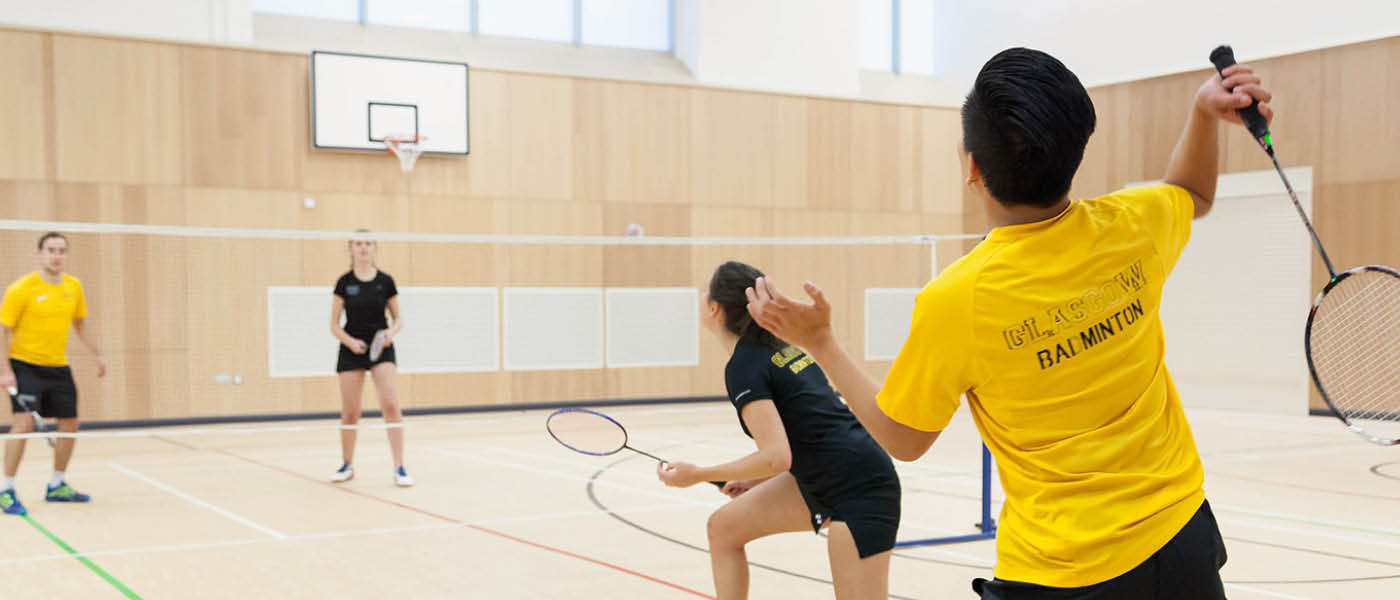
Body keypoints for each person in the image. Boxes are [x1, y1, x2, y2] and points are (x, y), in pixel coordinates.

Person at [746, 48, 1273, 598]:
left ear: (971, 167)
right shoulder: (1133, 224)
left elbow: (904, 437)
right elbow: (1193, 194)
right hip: (1182, 538)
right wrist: (1203, 113)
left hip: (1065, 571)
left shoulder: (958, 299)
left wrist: (821, 342)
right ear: (1075, 150)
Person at [657, 261, 901, 600]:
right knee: (724, 529)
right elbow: (805, 436)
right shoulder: (781, 349)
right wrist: (756, 480)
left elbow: (775, 457)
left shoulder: (744, 367)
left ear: (714, 308)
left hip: (860, 489)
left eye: (704, 291)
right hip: (828, 475)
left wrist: (697, 474)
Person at [0, 232, 107, 515]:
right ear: (40, 254)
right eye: (51, 250)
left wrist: (97, 354)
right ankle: (6, 489)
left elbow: (80, 324)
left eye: (61, 250)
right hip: (24, 365)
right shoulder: (21, 288)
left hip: (58, 368)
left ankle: (57, 484)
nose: (56, 255)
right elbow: (3, 329)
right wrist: (5, 370)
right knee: (23, 424)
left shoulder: (73, 287)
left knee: (70, 424)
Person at [329, 230, 411, 486]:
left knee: (390, 405)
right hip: (351, 349)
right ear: (350, 249)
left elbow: (399, 320)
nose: (363, 247)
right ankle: (347, 465)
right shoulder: (344, 282)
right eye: (357, 244)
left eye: (367, 243)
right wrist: (351, 342)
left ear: (374, 248)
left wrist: (390, 333)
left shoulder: (386, 282)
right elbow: (334, 325)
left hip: (381, 348)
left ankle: (400, 467)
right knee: (351, 412)